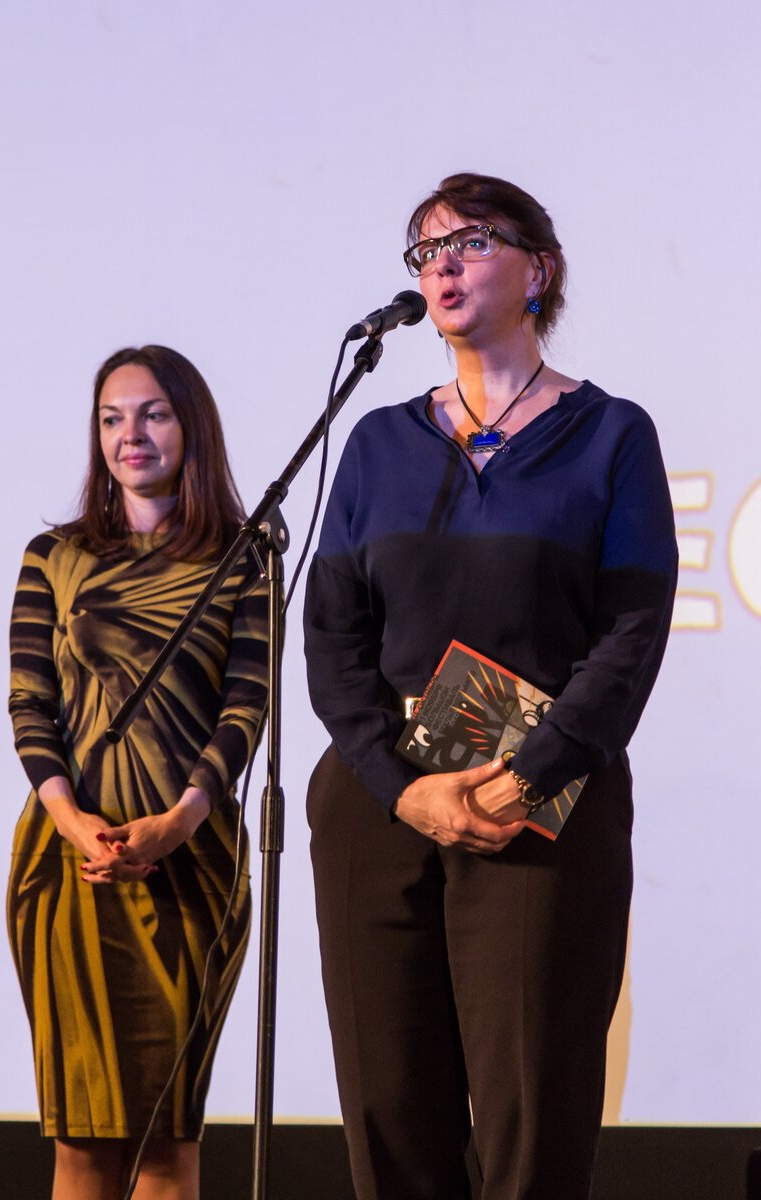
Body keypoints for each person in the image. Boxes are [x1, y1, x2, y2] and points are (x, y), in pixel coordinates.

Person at [303, 173, 678, 1200]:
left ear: (538, 269)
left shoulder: (610, 434)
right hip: (380, 799)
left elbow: (630, 635)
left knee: (530, 1115)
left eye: (470, 241)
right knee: (390, 1114)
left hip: (540, 799)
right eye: (425, 250)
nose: (443, 265)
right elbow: (332, 637)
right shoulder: (378, 442)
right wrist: (402, 788)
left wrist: (526, 775)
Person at [7, 345, 268, 1200]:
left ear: (192, 425)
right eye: (112, 418)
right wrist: (73, 821)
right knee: (80, 1142)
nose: (132, 434)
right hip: (66, 866)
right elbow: (29, 706)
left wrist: (179, 821)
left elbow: (246, 705)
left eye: (154, 413)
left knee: (166, 1139)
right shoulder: (51, 556)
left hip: (193, 865)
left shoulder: (245, 556)